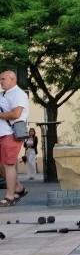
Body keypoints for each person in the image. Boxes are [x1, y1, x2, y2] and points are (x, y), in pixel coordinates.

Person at [0, 70, 30, 207]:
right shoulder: (3, 94)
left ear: (13, 80)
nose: (1, 81)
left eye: (3, 79)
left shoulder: (18, 94)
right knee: (2, 165)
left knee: (8, 164)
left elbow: (16, 114)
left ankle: (10, 196)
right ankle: (18, 188)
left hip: (11, 133)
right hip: (2, 133)